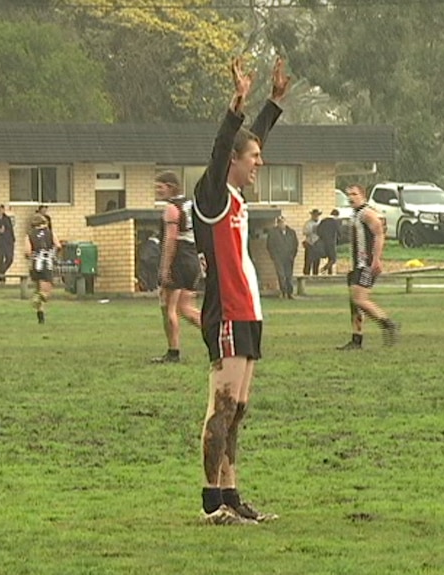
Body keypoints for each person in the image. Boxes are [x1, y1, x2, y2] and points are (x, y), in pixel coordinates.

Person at [191, 55, 290, 525]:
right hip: (227, 312)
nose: (259, 164)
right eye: (252, 159)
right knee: (222, 407)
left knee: (239, 412)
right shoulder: (211, 196)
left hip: (249, 313)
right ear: (233, 160)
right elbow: (221, 151)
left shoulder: (236, 195)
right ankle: (212, 505)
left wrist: (272, 104)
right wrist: (237, 105)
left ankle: (232, 495)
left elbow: (253, 141)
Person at [337, 184, 399, 351]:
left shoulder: (367, 213)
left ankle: (388, 323)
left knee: (360, 300)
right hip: (356, 264)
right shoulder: (356, 214)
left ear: (362, 196)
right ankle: (356, 339)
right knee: (354, 304)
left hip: (365, 264)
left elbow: (379, 234)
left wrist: (376, 259)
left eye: (354, 194)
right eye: (348, 194)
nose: (350, 197)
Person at [151, 171, 202, 364]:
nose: (157, 191)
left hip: (179, 258)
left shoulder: (171, 209)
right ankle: (219, 337)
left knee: (167, 306)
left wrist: (165, 268)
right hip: (191, 257)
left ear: (171, 187)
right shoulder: (189, 205)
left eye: (160, 187)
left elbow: (171, 239)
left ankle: (173, 352)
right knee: (186, 308)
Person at [27, 213, 60, 324]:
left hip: (36, 264)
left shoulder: (29, 236)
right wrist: (53, 253)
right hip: (47, 263)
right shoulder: (50, 234)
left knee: (39, 288)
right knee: (47, 292)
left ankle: (41, 318)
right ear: (44, 223)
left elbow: (27, 251)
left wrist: (30, 257)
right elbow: (58, 246)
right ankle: (38, 297)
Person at [266, 215, 299, 299]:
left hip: (289, 258)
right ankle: (283, 292)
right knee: (281, 275)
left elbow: (295, 245)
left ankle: (290, 293)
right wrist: (274, 256)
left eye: (282, 222)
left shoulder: (291, 232)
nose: (281, 224)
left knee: (289, 275)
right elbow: (269, 245)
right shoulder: (273, 232)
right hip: (278, 258)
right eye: (279, 222)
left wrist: (292, 255)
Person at [316, 209, 341, 275]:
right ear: (337, 215)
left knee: (327, 258)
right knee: (333, 259)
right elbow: (339, 233)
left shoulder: (323, 221)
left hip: (323, 243)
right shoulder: (335, 222)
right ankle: (325, 269)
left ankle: (329, 272)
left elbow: (318, 231)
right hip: (331, 243)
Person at [302, 209, 322, 276]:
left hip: (318, 245)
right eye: (314, 215)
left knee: (316, 263)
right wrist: (312, 230)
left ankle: (315, 278)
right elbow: (304, 232)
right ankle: (306, 277)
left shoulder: (321, 223)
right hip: (310, 245)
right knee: (308, 262)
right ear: (312, 215)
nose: (316, 216)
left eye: (317, 215)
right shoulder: (308, 223)